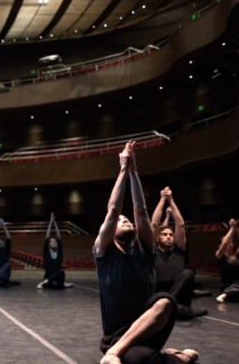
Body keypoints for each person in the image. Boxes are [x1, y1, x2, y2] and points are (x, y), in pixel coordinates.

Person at [93, 141, 198, 364]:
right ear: (111, 232)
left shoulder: (145, 248)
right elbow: (113, 210)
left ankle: (115, 354)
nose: (126, 220)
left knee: (165, 301)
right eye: (122, 221)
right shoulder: (104, 253)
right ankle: (175, 357)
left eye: (127, 219)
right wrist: (122, 169)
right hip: (116, 336)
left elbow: (140, 210)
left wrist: (134, 172)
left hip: (149, 329)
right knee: (141, 359)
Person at [151, 187, 207, 319]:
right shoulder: (152, 251)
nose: (169, 236)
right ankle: (175, 309)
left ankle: (171, 307)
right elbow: (153, 224)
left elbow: (180, 224)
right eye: (164, 234)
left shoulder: (179, 251)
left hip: (178, 300)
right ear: (158, 238)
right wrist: (162, 200)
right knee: (178, 311)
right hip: (158, 298)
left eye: (171, 234)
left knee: (188, 273)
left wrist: (171, 200)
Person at [37, 212, 73, 289]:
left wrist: (55, 223)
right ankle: (44, 282)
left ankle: (62, 284)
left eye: (55, 241)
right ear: (49, 244)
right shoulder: (46, 252)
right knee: (53, 284)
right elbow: (47, 236)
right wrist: (51, 222)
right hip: (49, 280)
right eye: (51, 241)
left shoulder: (59, 253)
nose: (53, 242)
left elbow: (59, 237)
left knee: (61, 272)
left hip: (58, 280)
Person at [0, 217, 20, 287]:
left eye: (2, 241)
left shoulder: (6, 250)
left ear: (4, 244)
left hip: (3, 279)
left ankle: (2, 281)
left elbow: (9, 238)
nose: (0, 242)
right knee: (7, 265)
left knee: (7, 265)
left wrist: (4, 225)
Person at [214, 218, 239, 303]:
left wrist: (237, 229)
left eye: (231, 242)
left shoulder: (236, 255)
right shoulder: (219, 256)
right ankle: (225, 294)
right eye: (227, 242)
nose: (229, 244)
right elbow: (224, 243)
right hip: (227, 287)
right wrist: (232, 228)